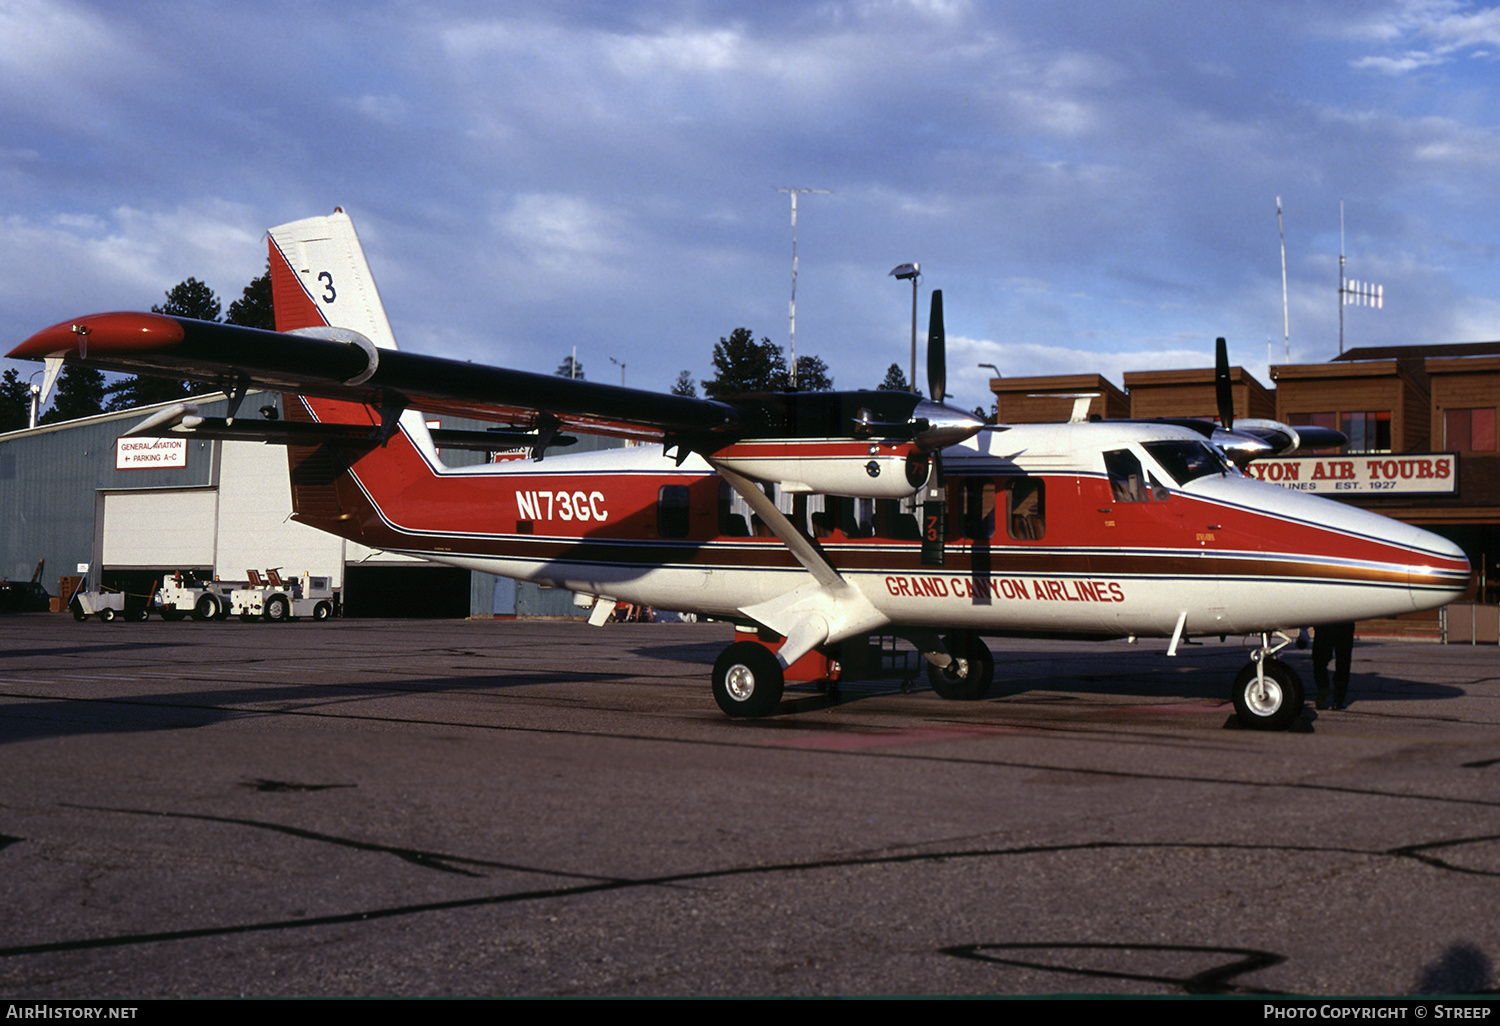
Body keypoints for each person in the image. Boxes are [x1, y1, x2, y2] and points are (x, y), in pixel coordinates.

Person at [1312, 621, 1356, 710]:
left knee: (1320, 659)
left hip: (1325, 623)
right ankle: (1338, 700)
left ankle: (1323, 686)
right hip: (1344, 623)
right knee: (1343, 662)